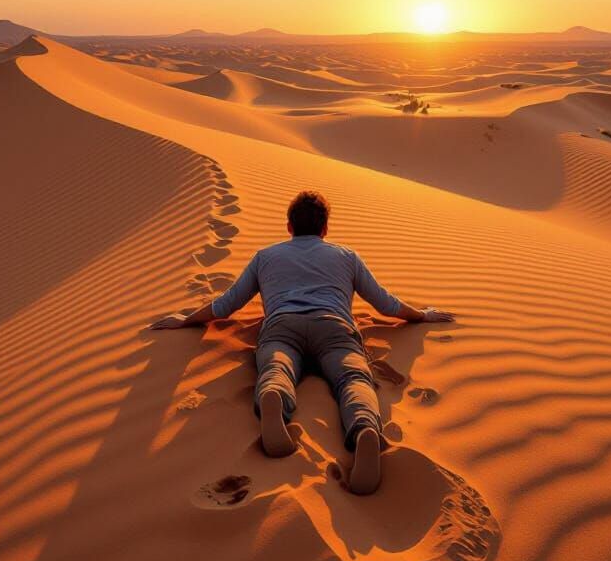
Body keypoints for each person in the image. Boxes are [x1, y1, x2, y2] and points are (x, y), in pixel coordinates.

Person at [151, 190, 454, 494]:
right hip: (334, 328)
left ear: (289, 227)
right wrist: (422, 315)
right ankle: (363, 427)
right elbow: (386, 305)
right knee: (352, 378)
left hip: (282, 326)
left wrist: (187, 319)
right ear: (325, 228)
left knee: (275, 366)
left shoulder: (266, 256)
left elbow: (227, 304)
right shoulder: (346, 256)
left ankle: (274, 396)